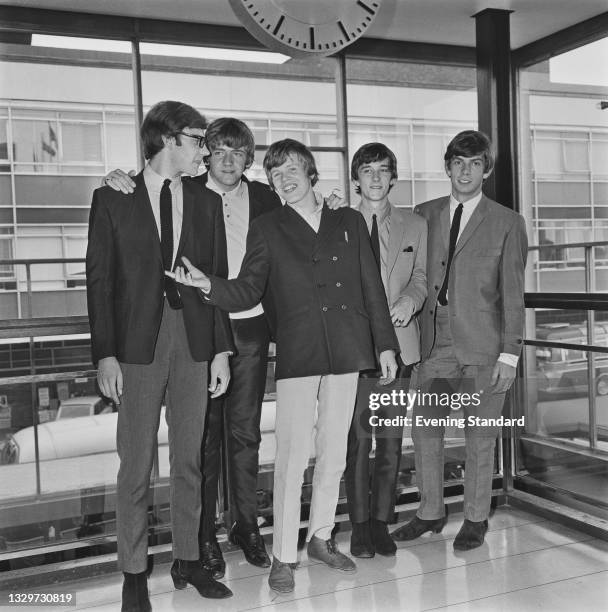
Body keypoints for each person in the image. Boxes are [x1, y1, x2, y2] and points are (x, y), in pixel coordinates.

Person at [169, 138, 399, 593]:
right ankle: (282, 554)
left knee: (335, 449)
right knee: (293, 454)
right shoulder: (268, 227)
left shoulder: (348, 220)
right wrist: (208, 285)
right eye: (275, 175)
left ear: (310, 172)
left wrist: (386, 346)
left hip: (348, 347)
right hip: (299, 349)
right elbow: (249, 290)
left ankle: (321, 538)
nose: (284, 179)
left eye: (291, 169)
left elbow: (371, 287)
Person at [86, 100, 234, 611]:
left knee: (190, 458)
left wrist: (220, 352)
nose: (205, 150)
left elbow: (214, 281)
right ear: (169, 139)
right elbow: (100, 282)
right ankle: (133, 573)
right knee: (137, 462)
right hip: (136, 346)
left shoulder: (207, 202)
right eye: (198, 139)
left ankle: (189, 560)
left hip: (194, 340)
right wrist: (104, 355)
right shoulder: (112, 198)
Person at [391, 130, 527, 551]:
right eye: (457, 162)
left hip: (485, 348)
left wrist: (510, 353)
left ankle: (475, 518)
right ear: (447, 166)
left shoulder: (507, 222)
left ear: (486, 169)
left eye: (474, 163)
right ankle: (431, 511)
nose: (465, 170)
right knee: (426, 432)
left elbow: (513, 294)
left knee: (479, 437)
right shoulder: (422, 214)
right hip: (434, 343)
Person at [344, 143, 427, 558]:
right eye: (366, 170)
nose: (375, 178)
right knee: (358, 441)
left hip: (402, 345)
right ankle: (358, 525)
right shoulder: (336, 221)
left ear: (393, 178)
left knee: (391, 442)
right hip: (354, 352)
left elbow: (423, 277)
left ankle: (380, 522)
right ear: (355, 178)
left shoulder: (415, 224)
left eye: (382, 170)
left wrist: (411, 300)